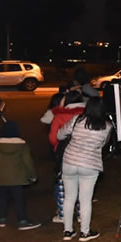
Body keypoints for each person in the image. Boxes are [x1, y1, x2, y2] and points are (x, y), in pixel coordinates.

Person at [56, 97, 112, 242]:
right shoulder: (107, 126)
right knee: (85, 200)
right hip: (90, 164)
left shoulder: (77, 120)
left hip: (69, 161)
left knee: (69, 197)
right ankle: (85, 233)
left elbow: (60, 134)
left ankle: (68, 231)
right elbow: (103, 144)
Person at [0, 122, 40, 230]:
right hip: (18, 179)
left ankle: (1, 219)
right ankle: (22, 220)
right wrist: (33, 176)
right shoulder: (22, 146)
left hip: (0, 179)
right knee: (19, 200)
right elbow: (28, 162)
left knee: (2, 199)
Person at [48, 90, 86, 224]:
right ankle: (82, 214)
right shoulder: (85, 114)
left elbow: (53, 138)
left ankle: (63, 215)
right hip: (83, 153)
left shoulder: (59, 116)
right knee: (83, 185)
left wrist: (57, 147)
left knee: (63, 185)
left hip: (64, 154)